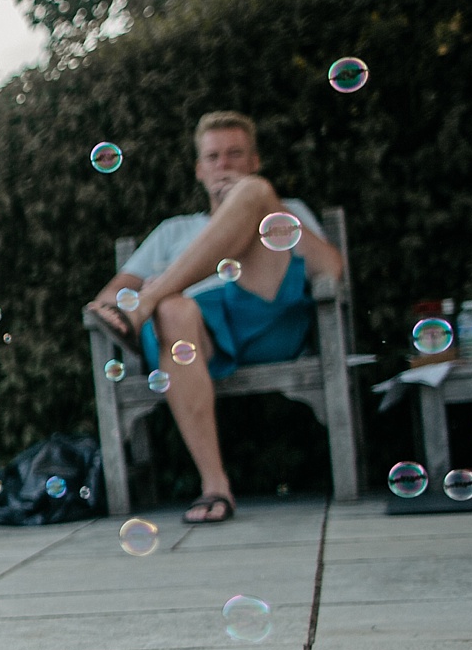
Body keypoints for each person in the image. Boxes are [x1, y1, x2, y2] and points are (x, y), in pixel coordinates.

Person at [87, 111, 344, 523]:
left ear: (254, 160)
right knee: (173, 308)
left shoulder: (285, 209)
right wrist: (140, 297)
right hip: (190, 335)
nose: (223, 165)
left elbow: (331, 270)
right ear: (198, 169)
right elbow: (107, 299)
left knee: (255, 196)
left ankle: (153, 298)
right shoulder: (174, 230)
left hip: (264, 316)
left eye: (234, 154)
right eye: (213, 157)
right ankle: (215, 487)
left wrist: (265, 203)